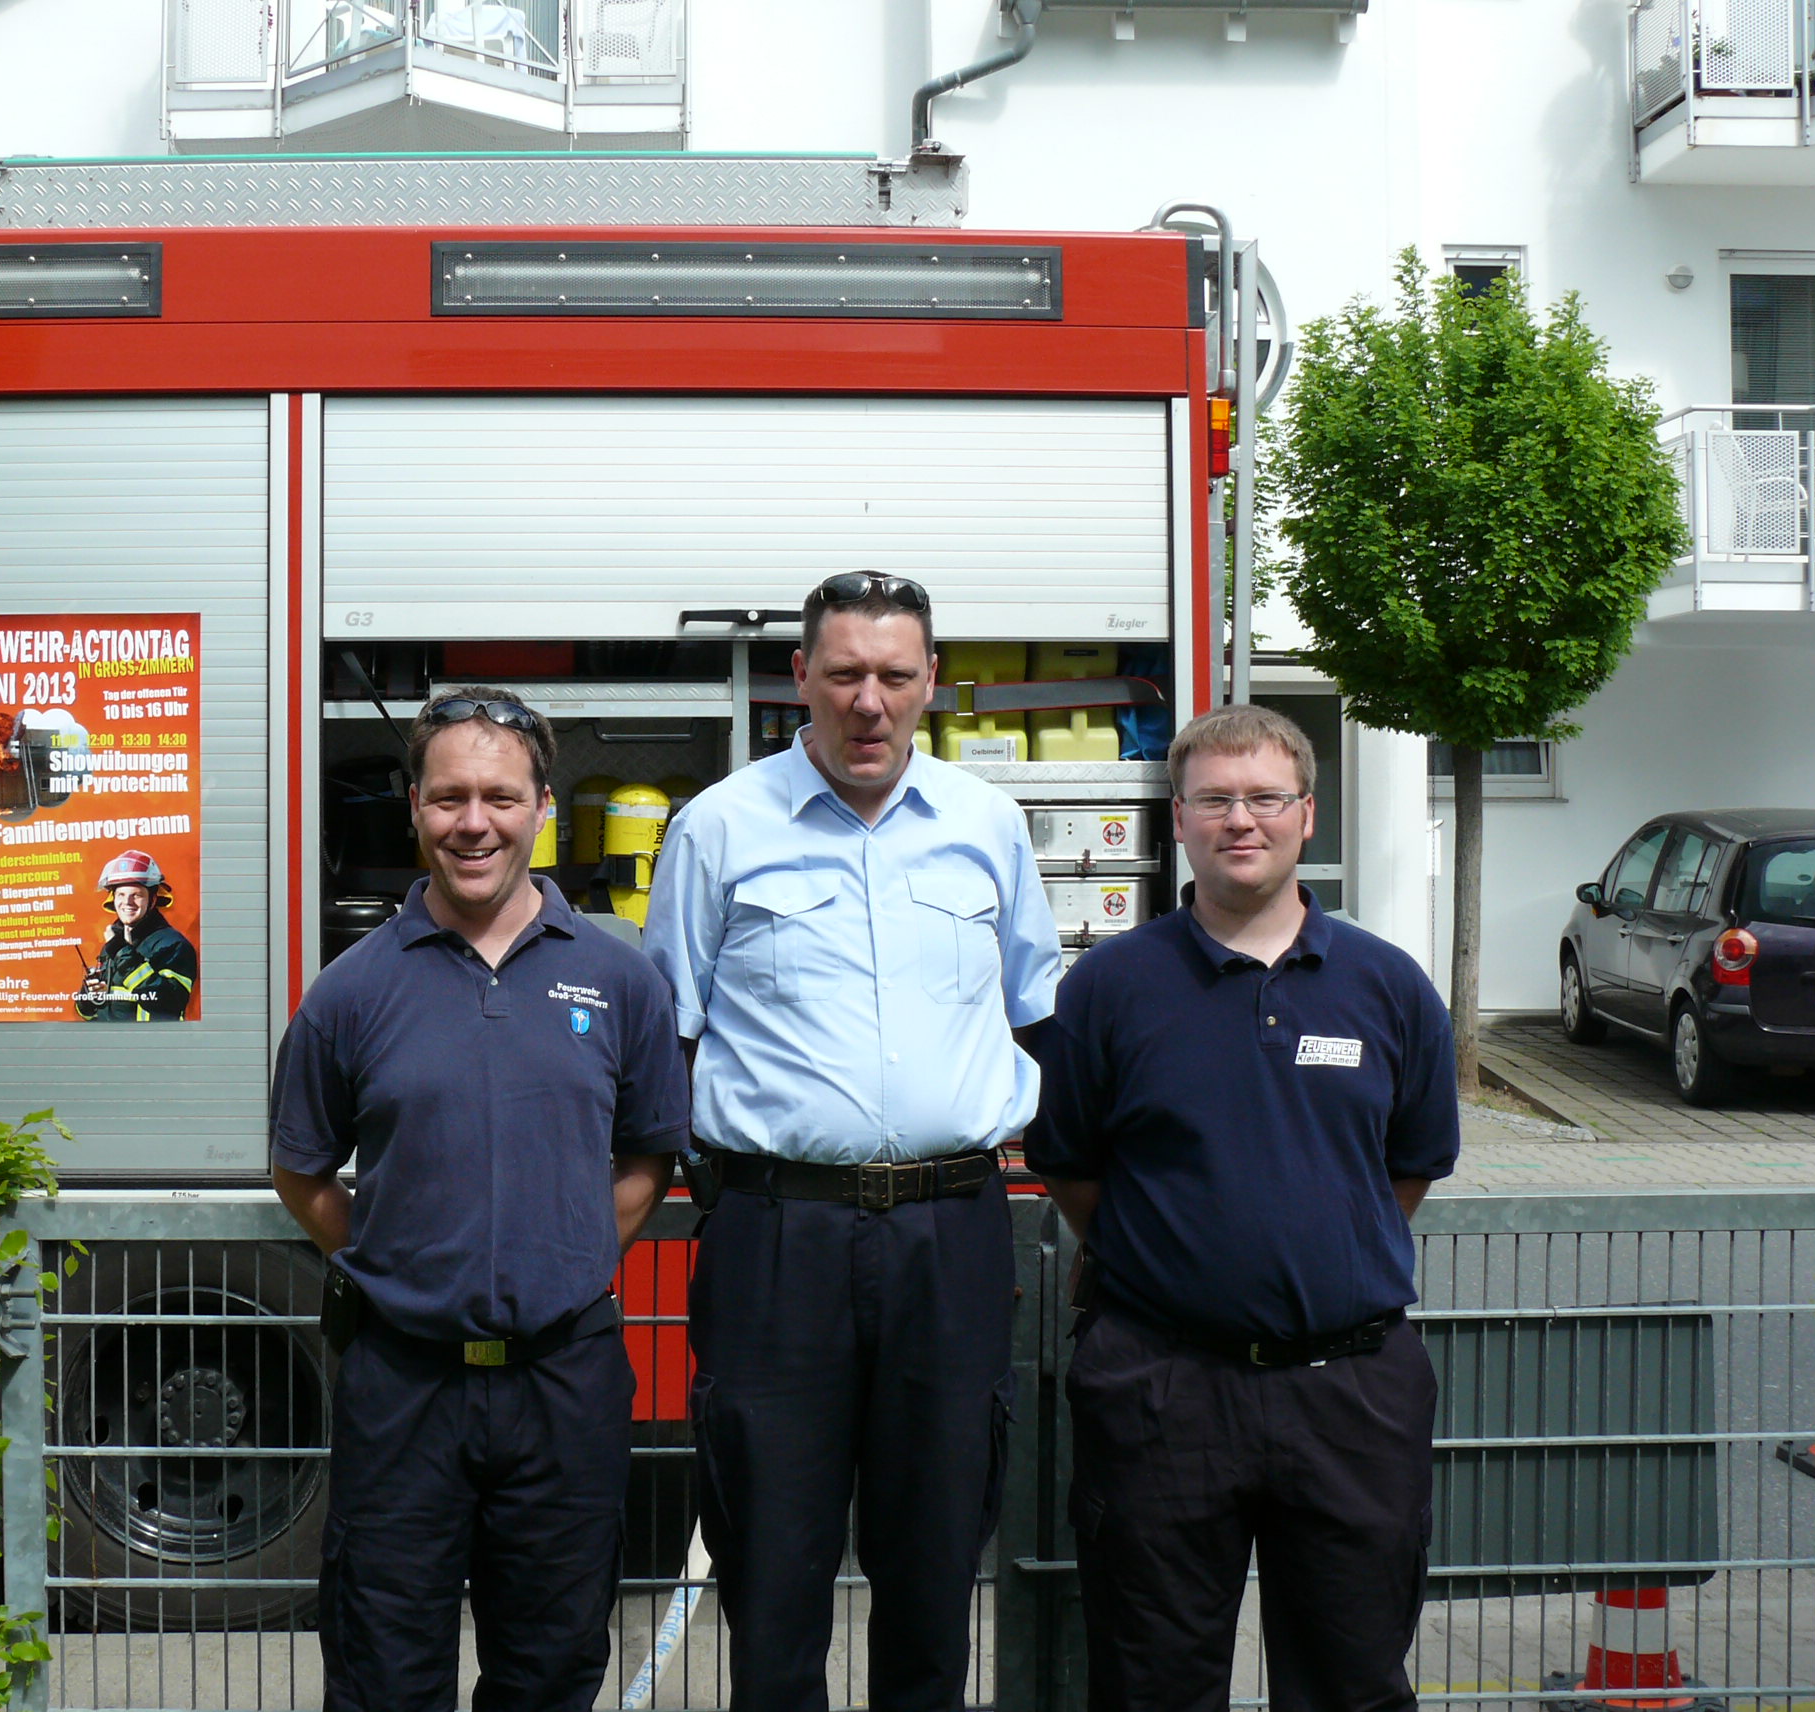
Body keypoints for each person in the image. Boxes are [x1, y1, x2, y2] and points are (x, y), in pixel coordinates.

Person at [643, 574, 1063, 1712]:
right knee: (770, 1567)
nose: (867, 702)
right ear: (801, 682)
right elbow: (664, 1042)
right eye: (843, 674)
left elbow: (1036, 1012)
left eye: (892, 675)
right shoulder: (718, 827)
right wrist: (734, 1191)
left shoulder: (987, 826)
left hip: (952, 1231)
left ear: (930, 683)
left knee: (934, 1563)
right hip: (779, 1237)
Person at [1025, 702, 1460, 1712]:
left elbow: (1408, 1168)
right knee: (1151, 1681)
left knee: (1352, 1679)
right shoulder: (1107, 988)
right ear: (1176, 818)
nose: (1240, 819)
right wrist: (1184, 1267)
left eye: (1265, 796)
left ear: (1307, 814)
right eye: (1214, 798)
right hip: (1160, 1389)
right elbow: (1073, 1167)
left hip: (1349, 1391)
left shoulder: (1389, 987)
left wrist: (1313, 1258)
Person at [269, 686, 690, 1712]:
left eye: (499, 796)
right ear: (413, 806)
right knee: (382, 1669)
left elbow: (648, 1156)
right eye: (449, 796)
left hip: (565, 1378)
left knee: (548, 1667)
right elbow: (301, 1169)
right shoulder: (350, 990)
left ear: (541, 805)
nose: (474, 822)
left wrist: (578, 1252)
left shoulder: (619, 978)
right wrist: (399, 1257)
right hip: (401, 1383)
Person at [74, 849, 197, 1021]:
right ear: (113, 899)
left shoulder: (173, 945)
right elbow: (87, 1014)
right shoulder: (112, 945)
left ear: (152, 900)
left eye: (136, 895)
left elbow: (169, 1004)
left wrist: (121, 953)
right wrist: (90, 996)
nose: (127, 902)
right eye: (121, 895)